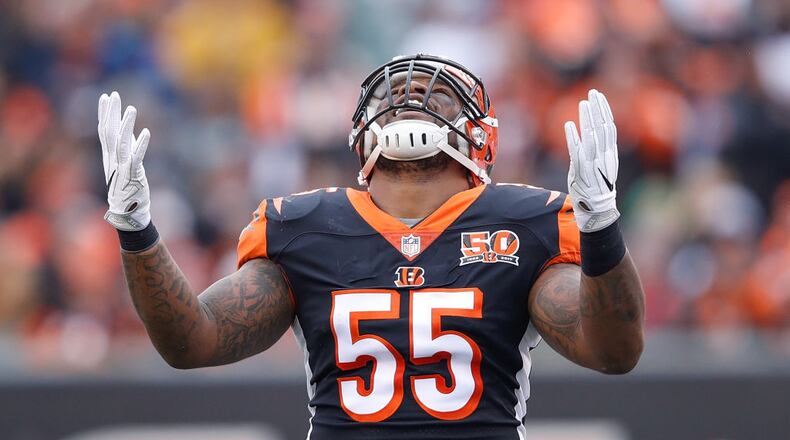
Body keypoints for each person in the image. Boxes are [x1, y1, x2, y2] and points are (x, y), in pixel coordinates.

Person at [97, 54, 644, 440]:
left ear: (483, 137)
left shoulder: (523, 224)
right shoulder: (305, 227)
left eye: (439, 97)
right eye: (395, 96)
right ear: (360, 134)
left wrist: (600, 228)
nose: (412, 99)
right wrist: (137, 230)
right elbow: (193, 341)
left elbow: (613, 352)